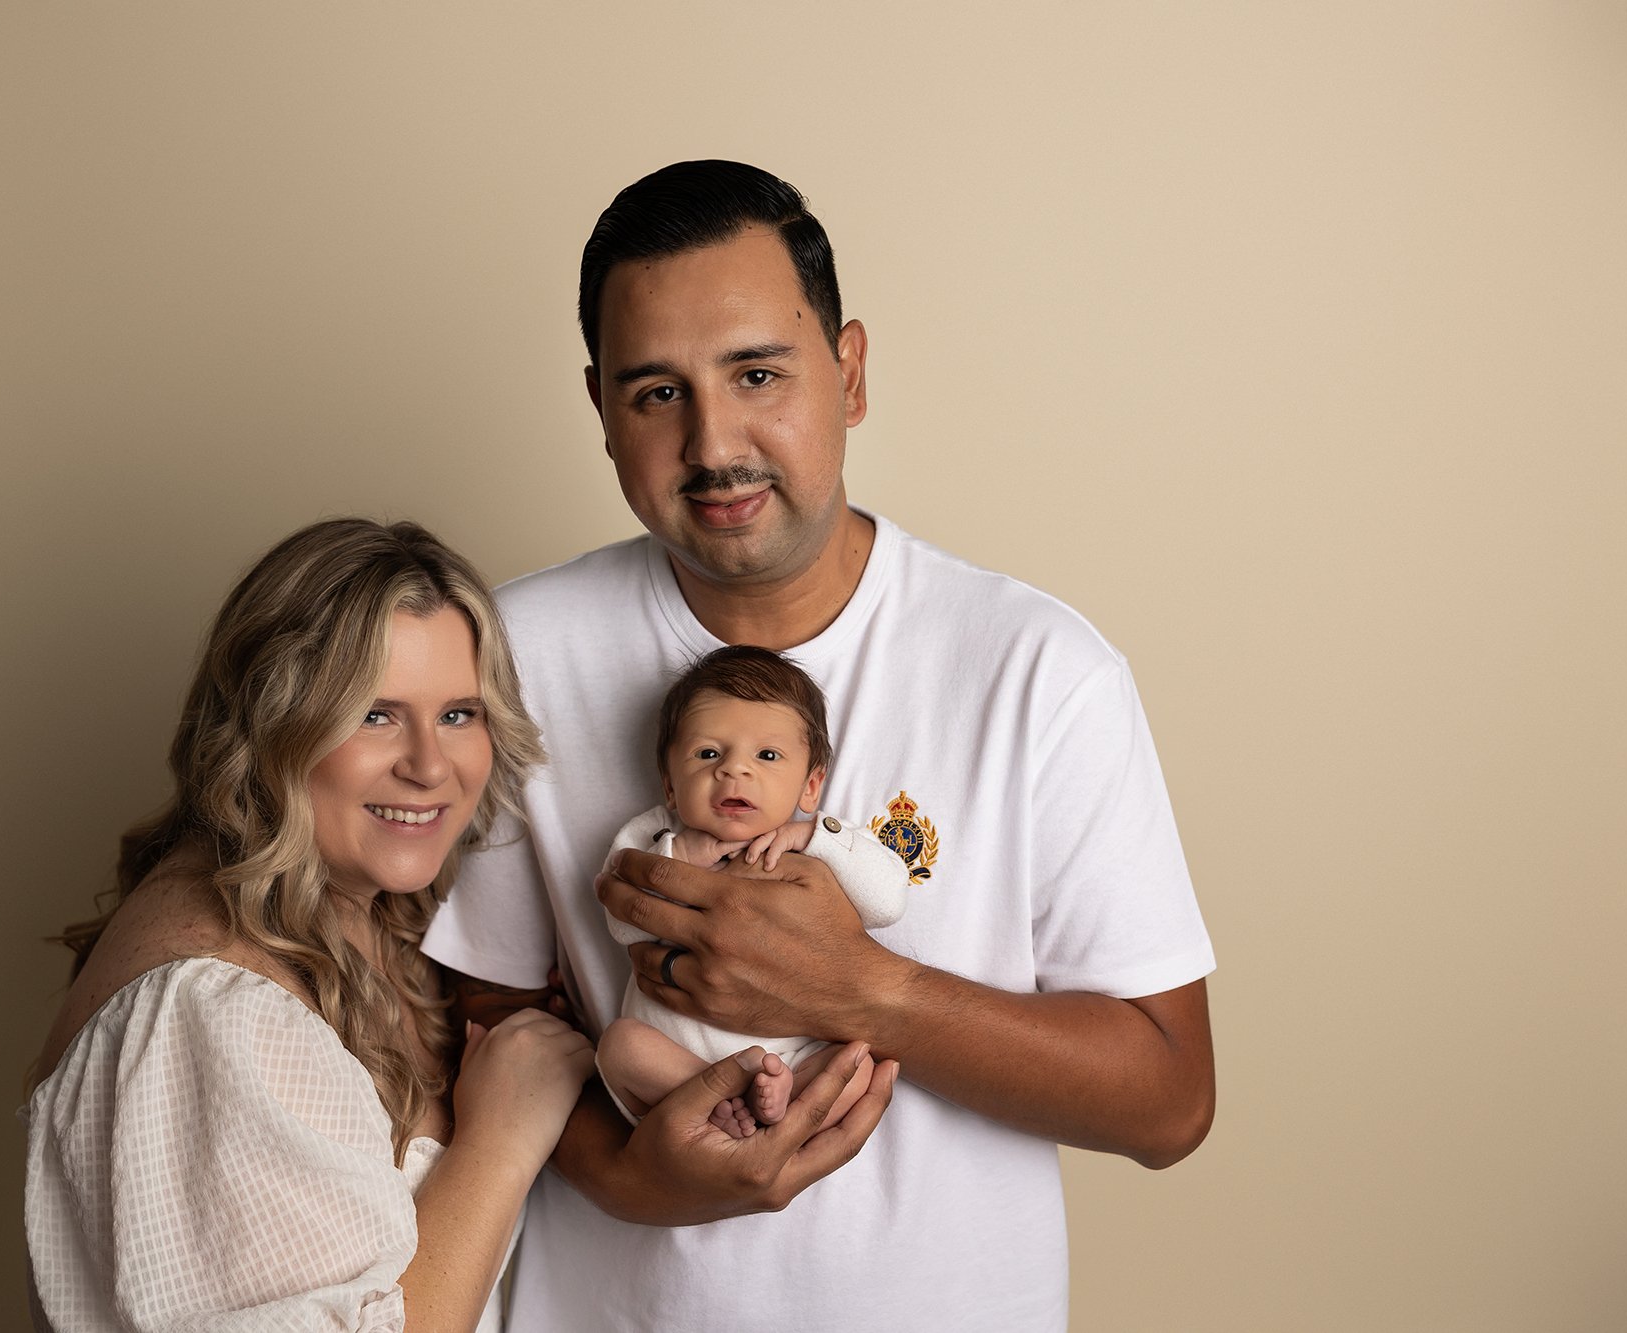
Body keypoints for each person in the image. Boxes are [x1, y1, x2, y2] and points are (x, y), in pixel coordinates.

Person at [420, 161, 1217, 1332]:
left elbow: (1167, 1100)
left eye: (757, 373)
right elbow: (483, 1025)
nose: (712, 443)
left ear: (847, 373)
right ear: (598, 410)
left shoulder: (1039, 669)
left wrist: (865, 989)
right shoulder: (513, 652)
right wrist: (637, 1180)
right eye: (654, 394)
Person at [23, 518, 596, 1333]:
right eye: (375, 715)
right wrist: (501, 1140)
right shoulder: (211, 1010)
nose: (431, 766)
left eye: (460, 713)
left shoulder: (374, 916)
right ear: (272, 726)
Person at [593, 645, 907, 1139]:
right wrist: (679, 856)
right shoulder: (653, 837)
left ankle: (775, 1098)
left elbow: (888, 903)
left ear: (810, 786)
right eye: (708, 753)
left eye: (767, 755)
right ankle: (714, 1098)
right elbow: (621, 921)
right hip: (674, 1061)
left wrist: (815, 836)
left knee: (858, 1067)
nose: (734, 770)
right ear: (671, 785)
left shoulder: (822, 845)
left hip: (786, 1060)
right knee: (619, 1047)